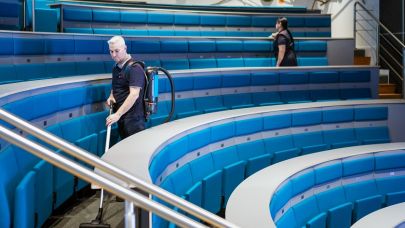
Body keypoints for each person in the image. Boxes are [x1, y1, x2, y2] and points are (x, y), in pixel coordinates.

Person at [105, 36, 146, 139]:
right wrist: (111, 96)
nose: (113, 55)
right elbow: (116, 85)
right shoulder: (116, 67)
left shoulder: (135, 68)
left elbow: (134, 94)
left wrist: (117, 115)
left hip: (133, 120)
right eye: (111, 51)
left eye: (117, 51)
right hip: (122, 117)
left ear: (125, 48)